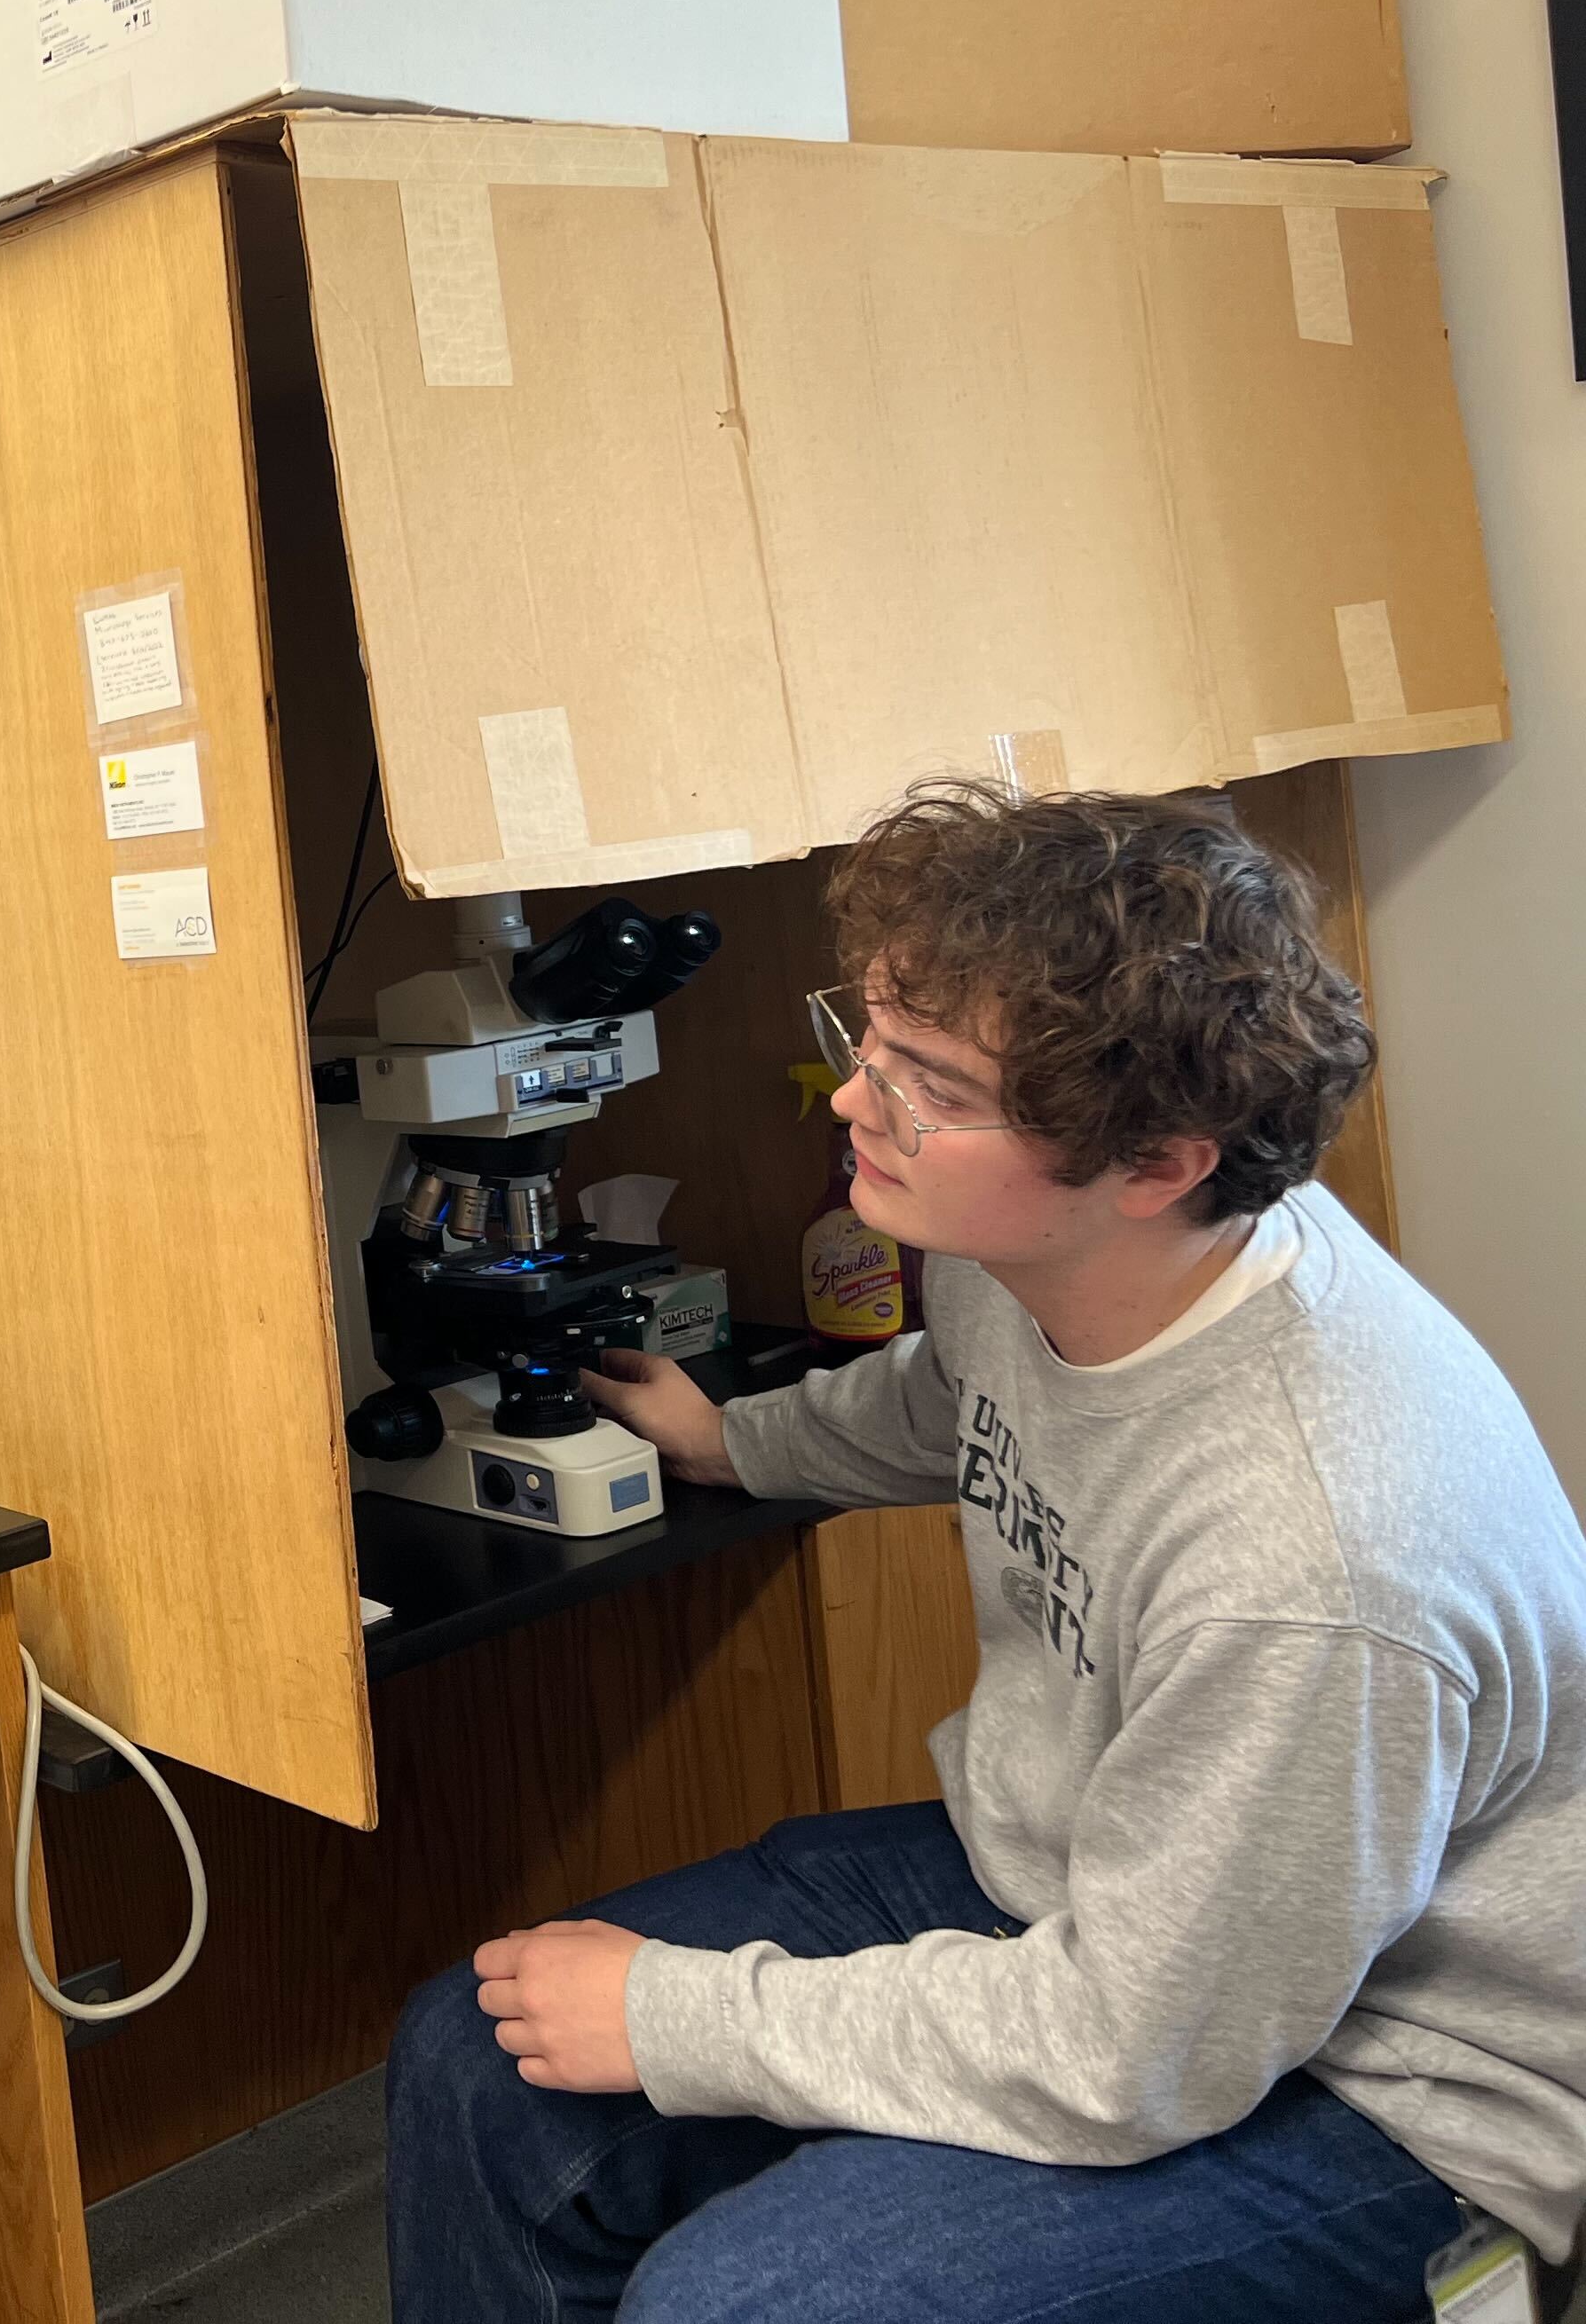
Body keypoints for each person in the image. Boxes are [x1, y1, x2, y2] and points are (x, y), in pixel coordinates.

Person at [388, 782, 1586, 2323]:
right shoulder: (1050, 1258)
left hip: (1400, 2078)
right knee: (473, 2059)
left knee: (744, 2306)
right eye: (867, 1041)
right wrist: (730, 1443)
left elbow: (1136, 2048)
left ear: (1159, 1158)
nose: (851, 1103)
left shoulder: (1321, 1564)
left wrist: (681, 2015)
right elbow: (951, 1396)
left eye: (927, 1082)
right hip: (1104, 1893)